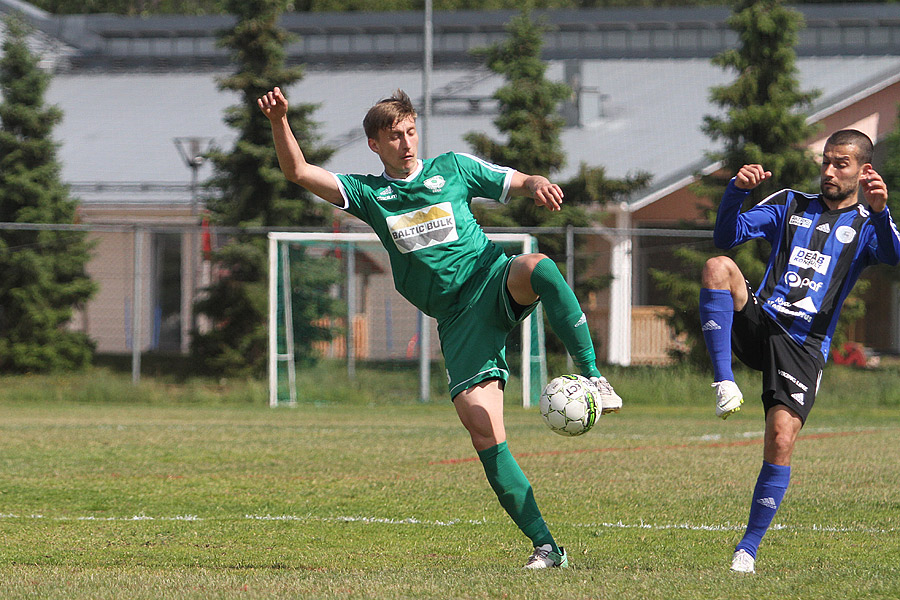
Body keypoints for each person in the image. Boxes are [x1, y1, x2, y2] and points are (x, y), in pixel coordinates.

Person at [258, 87, 622, 569]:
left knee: (539, 267)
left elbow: (514, 180)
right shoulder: (370, 194)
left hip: (491, 278)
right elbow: (298, 172)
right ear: (375, 144)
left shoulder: (451, 168)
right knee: (482, 428)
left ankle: (593, 374)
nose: (406, 143)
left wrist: (535, 183)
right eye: (394, 136)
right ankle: (547, 548)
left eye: (411, 132)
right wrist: (281, 120)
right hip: (456, 320)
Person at [698, 129, 900, 574]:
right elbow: (726, 237)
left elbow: (892, 255)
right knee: (717, 269)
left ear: (864, 171)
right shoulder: (791, 203)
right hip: (762, 322)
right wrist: (736, 191)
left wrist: (883, 212)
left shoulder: (867, 224)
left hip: (805, 345)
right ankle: (724, 380)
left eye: (840, 164)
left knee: (781, 438)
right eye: (825, 161)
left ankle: (747, 549)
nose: (829, 171)